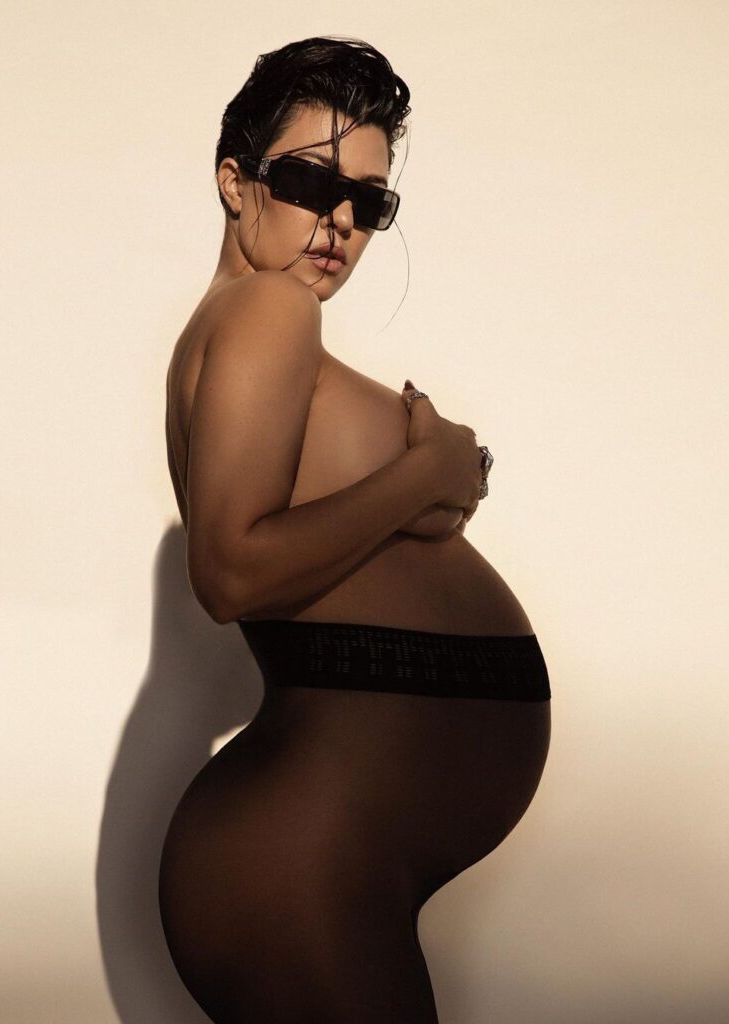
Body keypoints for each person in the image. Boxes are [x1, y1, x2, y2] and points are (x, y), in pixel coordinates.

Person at [158, 35, 552, 1024]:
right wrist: (424, 472)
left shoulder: (245, 326)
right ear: (235, 181)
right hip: (301, 853)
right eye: (308, 182)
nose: (338, 221)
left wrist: (433, 491)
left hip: (325, 848)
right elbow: (231, 572)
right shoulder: (269, 311)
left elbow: (330, 533)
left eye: (368, 202)